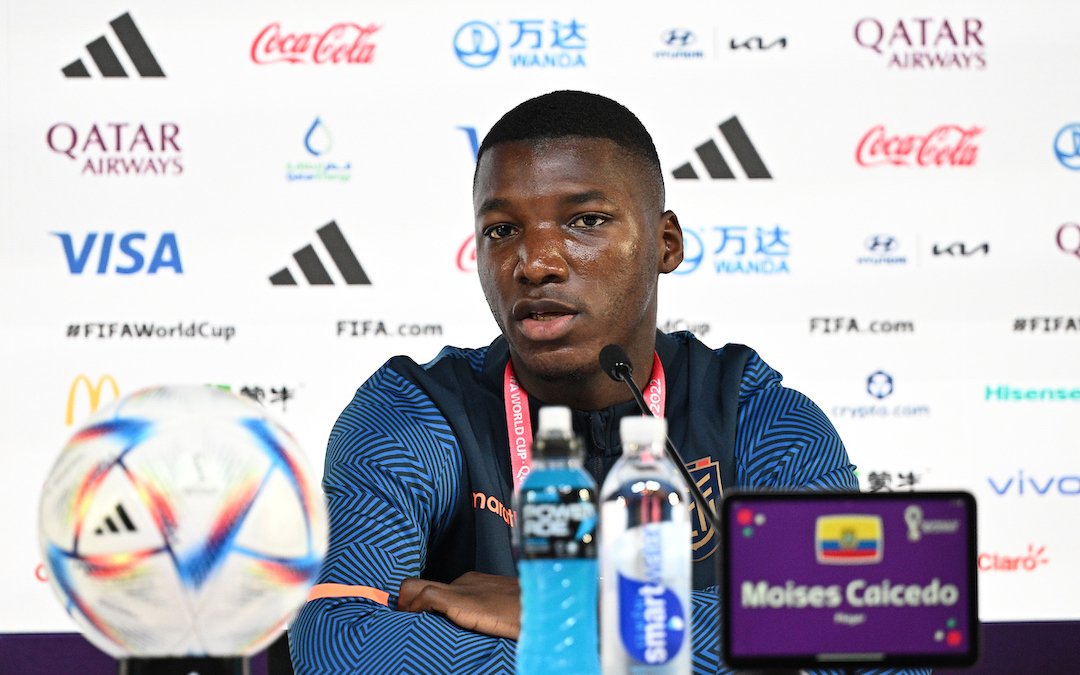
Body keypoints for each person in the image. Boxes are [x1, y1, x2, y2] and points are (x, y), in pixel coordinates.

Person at [289, 91, 929, 675]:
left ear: (665, 243)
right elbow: (338, 644)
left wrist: (575, 618)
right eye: (502, 230)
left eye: (585, 220)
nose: (535, 262)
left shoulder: (755, 418)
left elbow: (874, 642)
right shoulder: (416, 413)